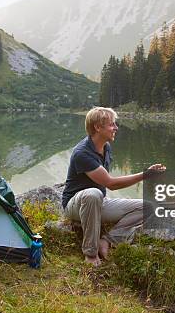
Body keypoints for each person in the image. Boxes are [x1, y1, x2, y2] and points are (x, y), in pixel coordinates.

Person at [62, 107, 165, 266]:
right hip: (76, 205)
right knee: (93, 194)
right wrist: (145, 174)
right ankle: (90, 254)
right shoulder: (82, 153)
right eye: (112, 124)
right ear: (97, 127)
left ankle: (108, 240)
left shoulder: (106, 147)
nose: (116, 128)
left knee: (148, 207)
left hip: (98, 201)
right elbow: (111, 184)